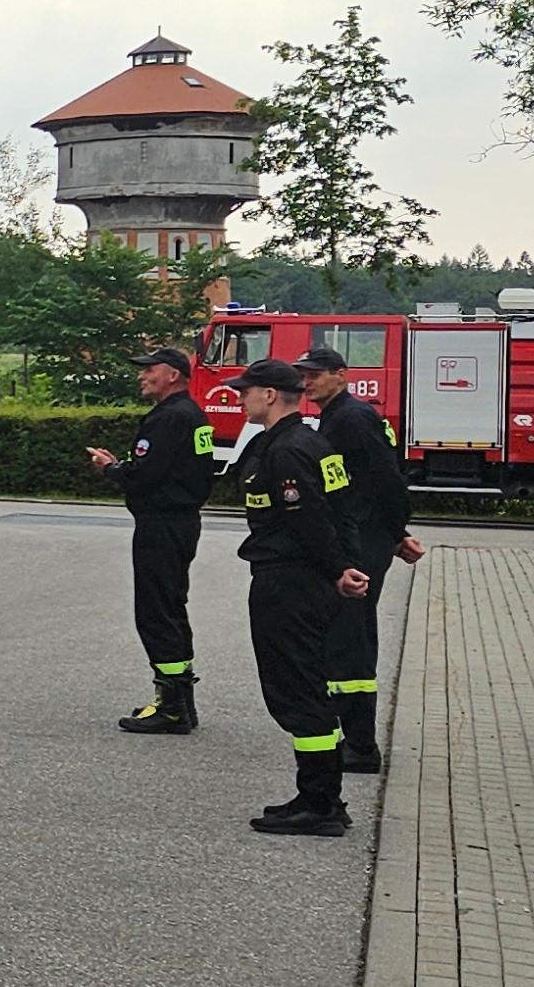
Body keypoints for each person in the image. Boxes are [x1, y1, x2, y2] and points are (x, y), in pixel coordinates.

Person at [230, 357, 370, 837]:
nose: (240, 398)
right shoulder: (308, 442)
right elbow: (345, 510)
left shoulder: (288, 450)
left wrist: (338, 570)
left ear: (269, 395)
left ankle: (319, 804)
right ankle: (320, 796)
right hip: (305, 580)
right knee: (306, 686)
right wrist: (346, 566)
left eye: (246, 391)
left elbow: (309, 520)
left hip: (289, 582)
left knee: (297, 691)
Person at [304, 345, 423, 774]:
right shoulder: (337, 416)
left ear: (341, 374)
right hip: (362, 533)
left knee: (350, 637)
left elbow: (386, 479)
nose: (307, 381)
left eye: (316, 373)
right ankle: (351, 736)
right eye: (304, 374)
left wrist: (394, 532)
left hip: (363, 538)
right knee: (343, 634)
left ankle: (360, 745)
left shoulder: (351, 418)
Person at [86, 345, 217, 732]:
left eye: (149, 370)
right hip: (182, 520)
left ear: (173, 375)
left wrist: (111, 469)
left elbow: (146, 474)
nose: (141, 376)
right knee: (172, 606)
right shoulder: (192, 414)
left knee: (156, 612)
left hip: (161, 523)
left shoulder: (168, 418)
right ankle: (181, 702)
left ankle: (171, 708)